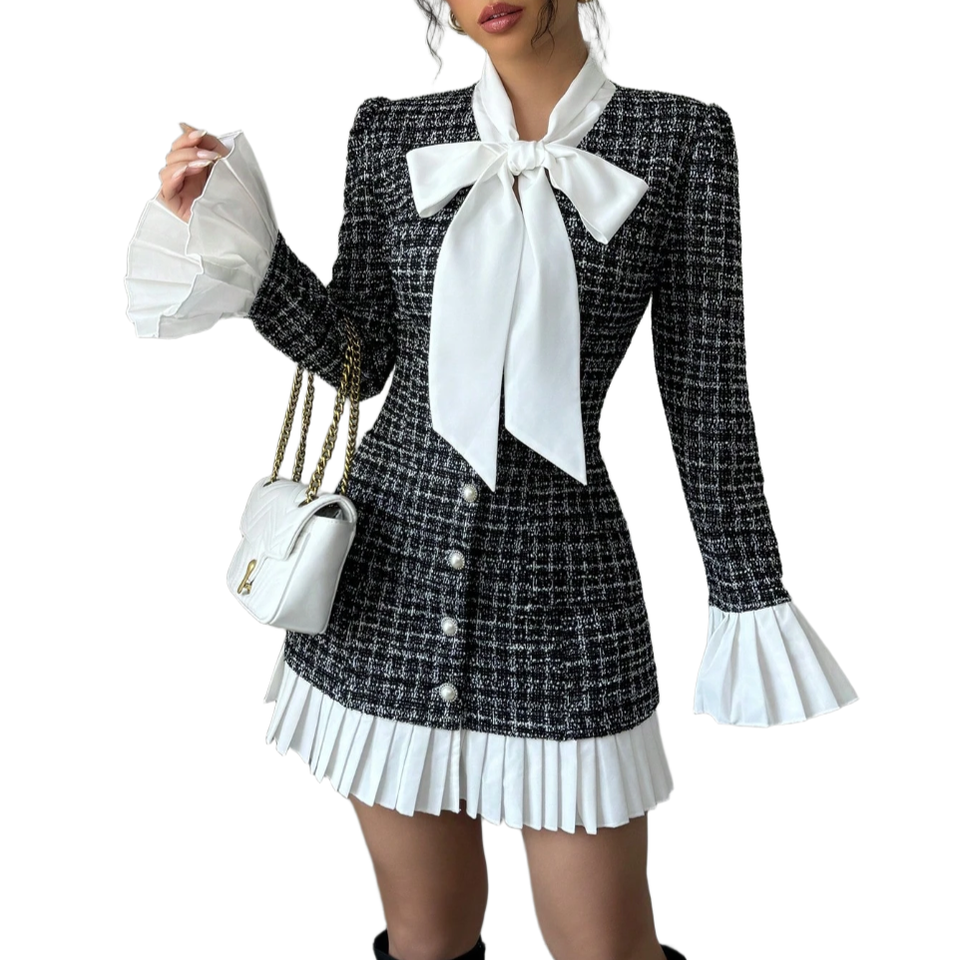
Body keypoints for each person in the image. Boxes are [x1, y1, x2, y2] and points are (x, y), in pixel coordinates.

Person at [124, 3, 859, 959]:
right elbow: (359, 354)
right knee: (427, 940)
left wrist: (746, 588)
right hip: (382, 591)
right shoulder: (390, 132)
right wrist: (242, 246)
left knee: (606, 948)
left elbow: (705, 389)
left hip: (567, 600)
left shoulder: (682, 139)